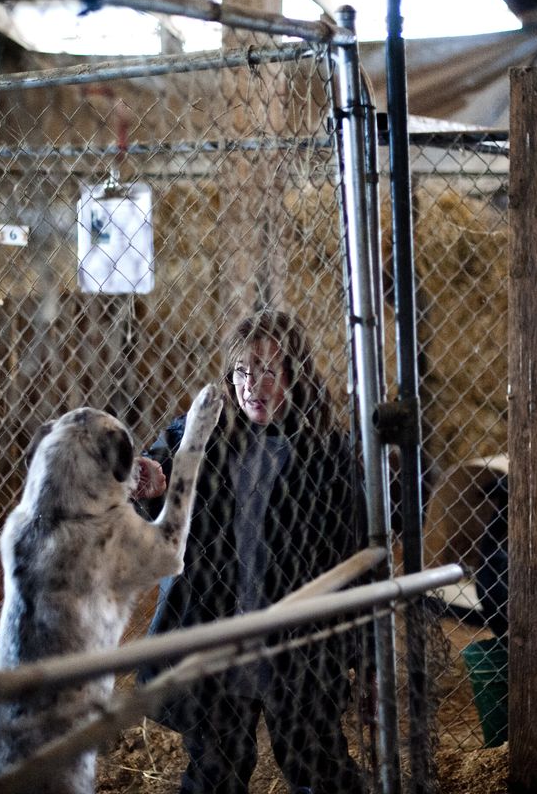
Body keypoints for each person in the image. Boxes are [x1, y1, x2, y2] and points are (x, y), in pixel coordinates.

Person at [135, 309, 366, 794]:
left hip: (294, 637)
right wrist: (154, 482)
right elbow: (161, 469)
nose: (250, 385)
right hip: (216, 629)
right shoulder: (200, 432)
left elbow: (355, 537)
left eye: (266, 370)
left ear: (293, 374)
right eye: (242, 370)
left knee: (317, 765)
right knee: (215, 773)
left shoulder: (324, 448)